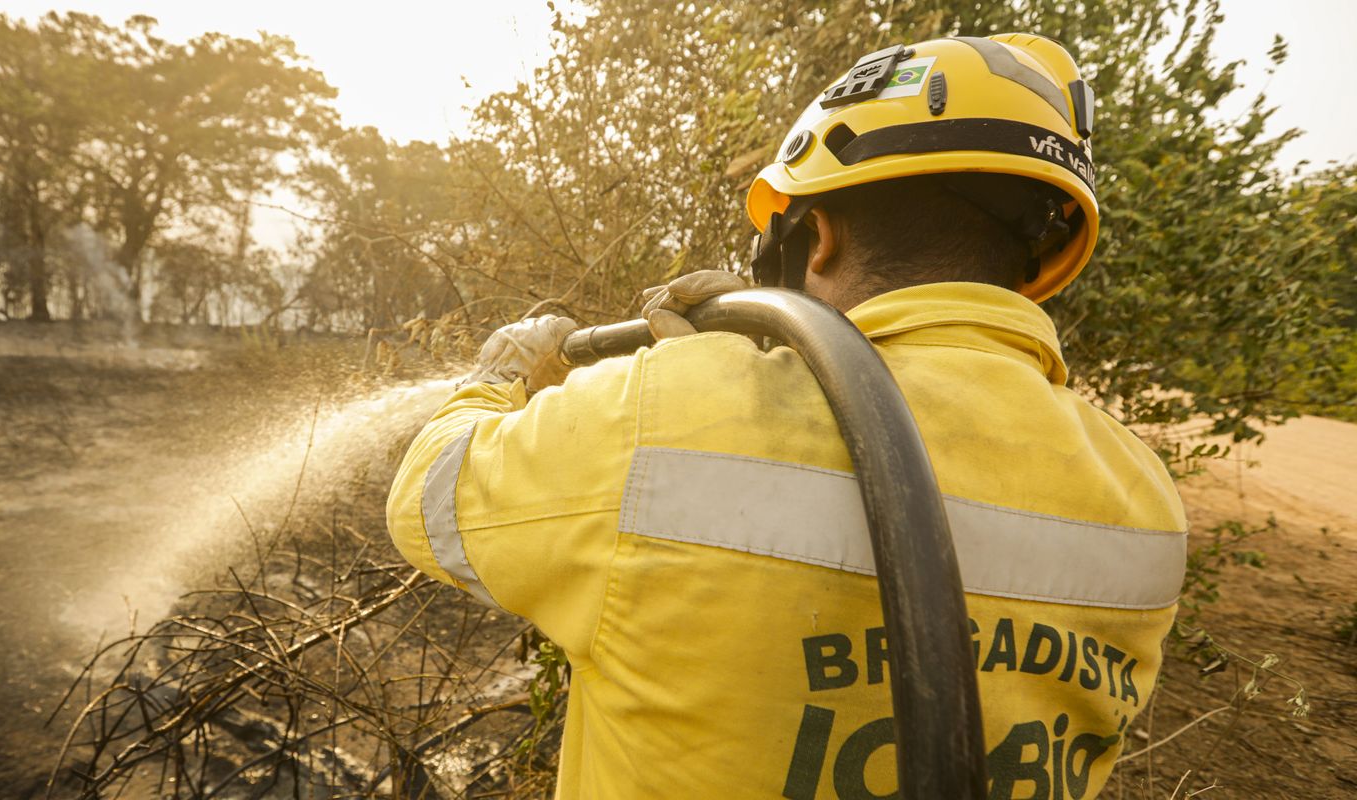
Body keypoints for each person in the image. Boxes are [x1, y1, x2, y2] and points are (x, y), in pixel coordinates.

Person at [387, 33, 1185, 799]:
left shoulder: (664, 414)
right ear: (1043, 256)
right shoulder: (1145, 501)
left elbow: (427, 496)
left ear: (821, 234)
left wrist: (505, 373)